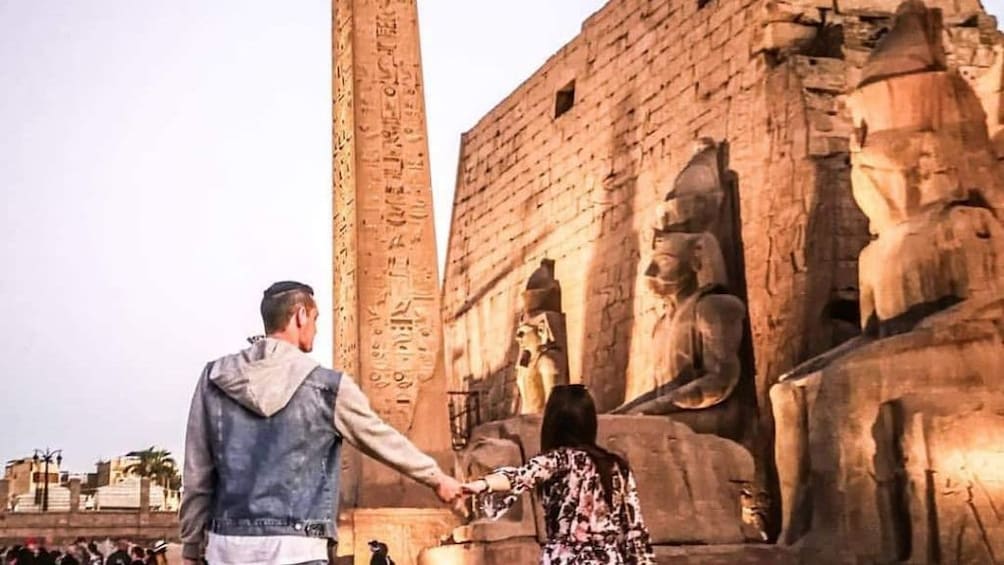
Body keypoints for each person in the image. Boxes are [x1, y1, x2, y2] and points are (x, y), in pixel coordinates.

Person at [180, 281, 462, 565]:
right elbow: (381, 439)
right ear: (300, 315)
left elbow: (197, 474)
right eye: (315, 319)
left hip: (227, 547)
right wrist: (436, 477)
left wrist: (191, 546)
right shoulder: (329, 387)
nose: (316, 328)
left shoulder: (214, 378)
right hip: (300, 547)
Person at [461, 385, 654, 565]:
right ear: (589, 422)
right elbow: (635, 530)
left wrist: (481, 484)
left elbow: (518, 478)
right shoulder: (615, 466)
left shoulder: (558, 460)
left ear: (552, 423)